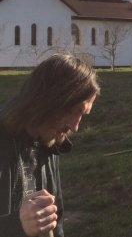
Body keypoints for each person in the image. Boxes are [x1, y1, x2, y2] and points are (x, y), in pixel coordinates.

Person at [0, 54, 100, 237]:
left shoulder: (50, 143)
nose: (75, 126)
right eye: (73, 111)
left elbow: (57, 223)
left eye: (83, 115)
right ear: (48, 100)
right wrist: (16, 225)